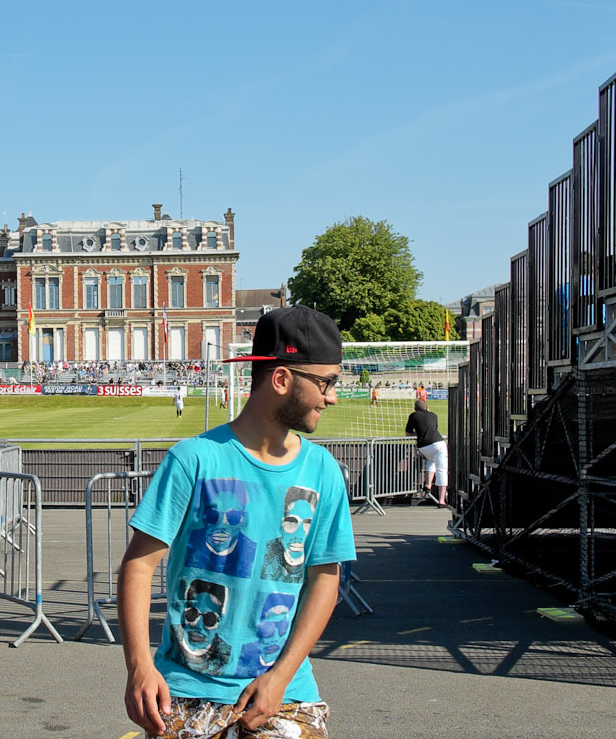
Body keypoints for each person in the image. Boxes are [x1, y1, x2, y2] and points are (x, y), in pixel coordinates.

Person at [120, 306, 356, 739]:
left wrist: (282, 677)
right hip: (185, 693)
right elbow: (139, 564)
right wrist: (139, 666)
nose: (332, 397)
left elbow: (326, 578)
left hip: (285, 694)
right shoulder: (193, 459)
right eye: (325, 382)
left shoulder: (323, 470)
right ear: (282, 379)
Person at [405, 397, 448, 507]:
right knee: (442, 470)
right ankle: (441, 500)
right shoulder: (434, 415)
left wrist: (418, 434)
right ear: (427, 407)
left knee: (431, 460)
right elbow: (434, 429)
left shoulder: (413, 416)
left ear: (415, 408)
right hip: (438, 443)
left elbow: (408, 433)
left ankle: (428, 484)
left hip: (423, 446)